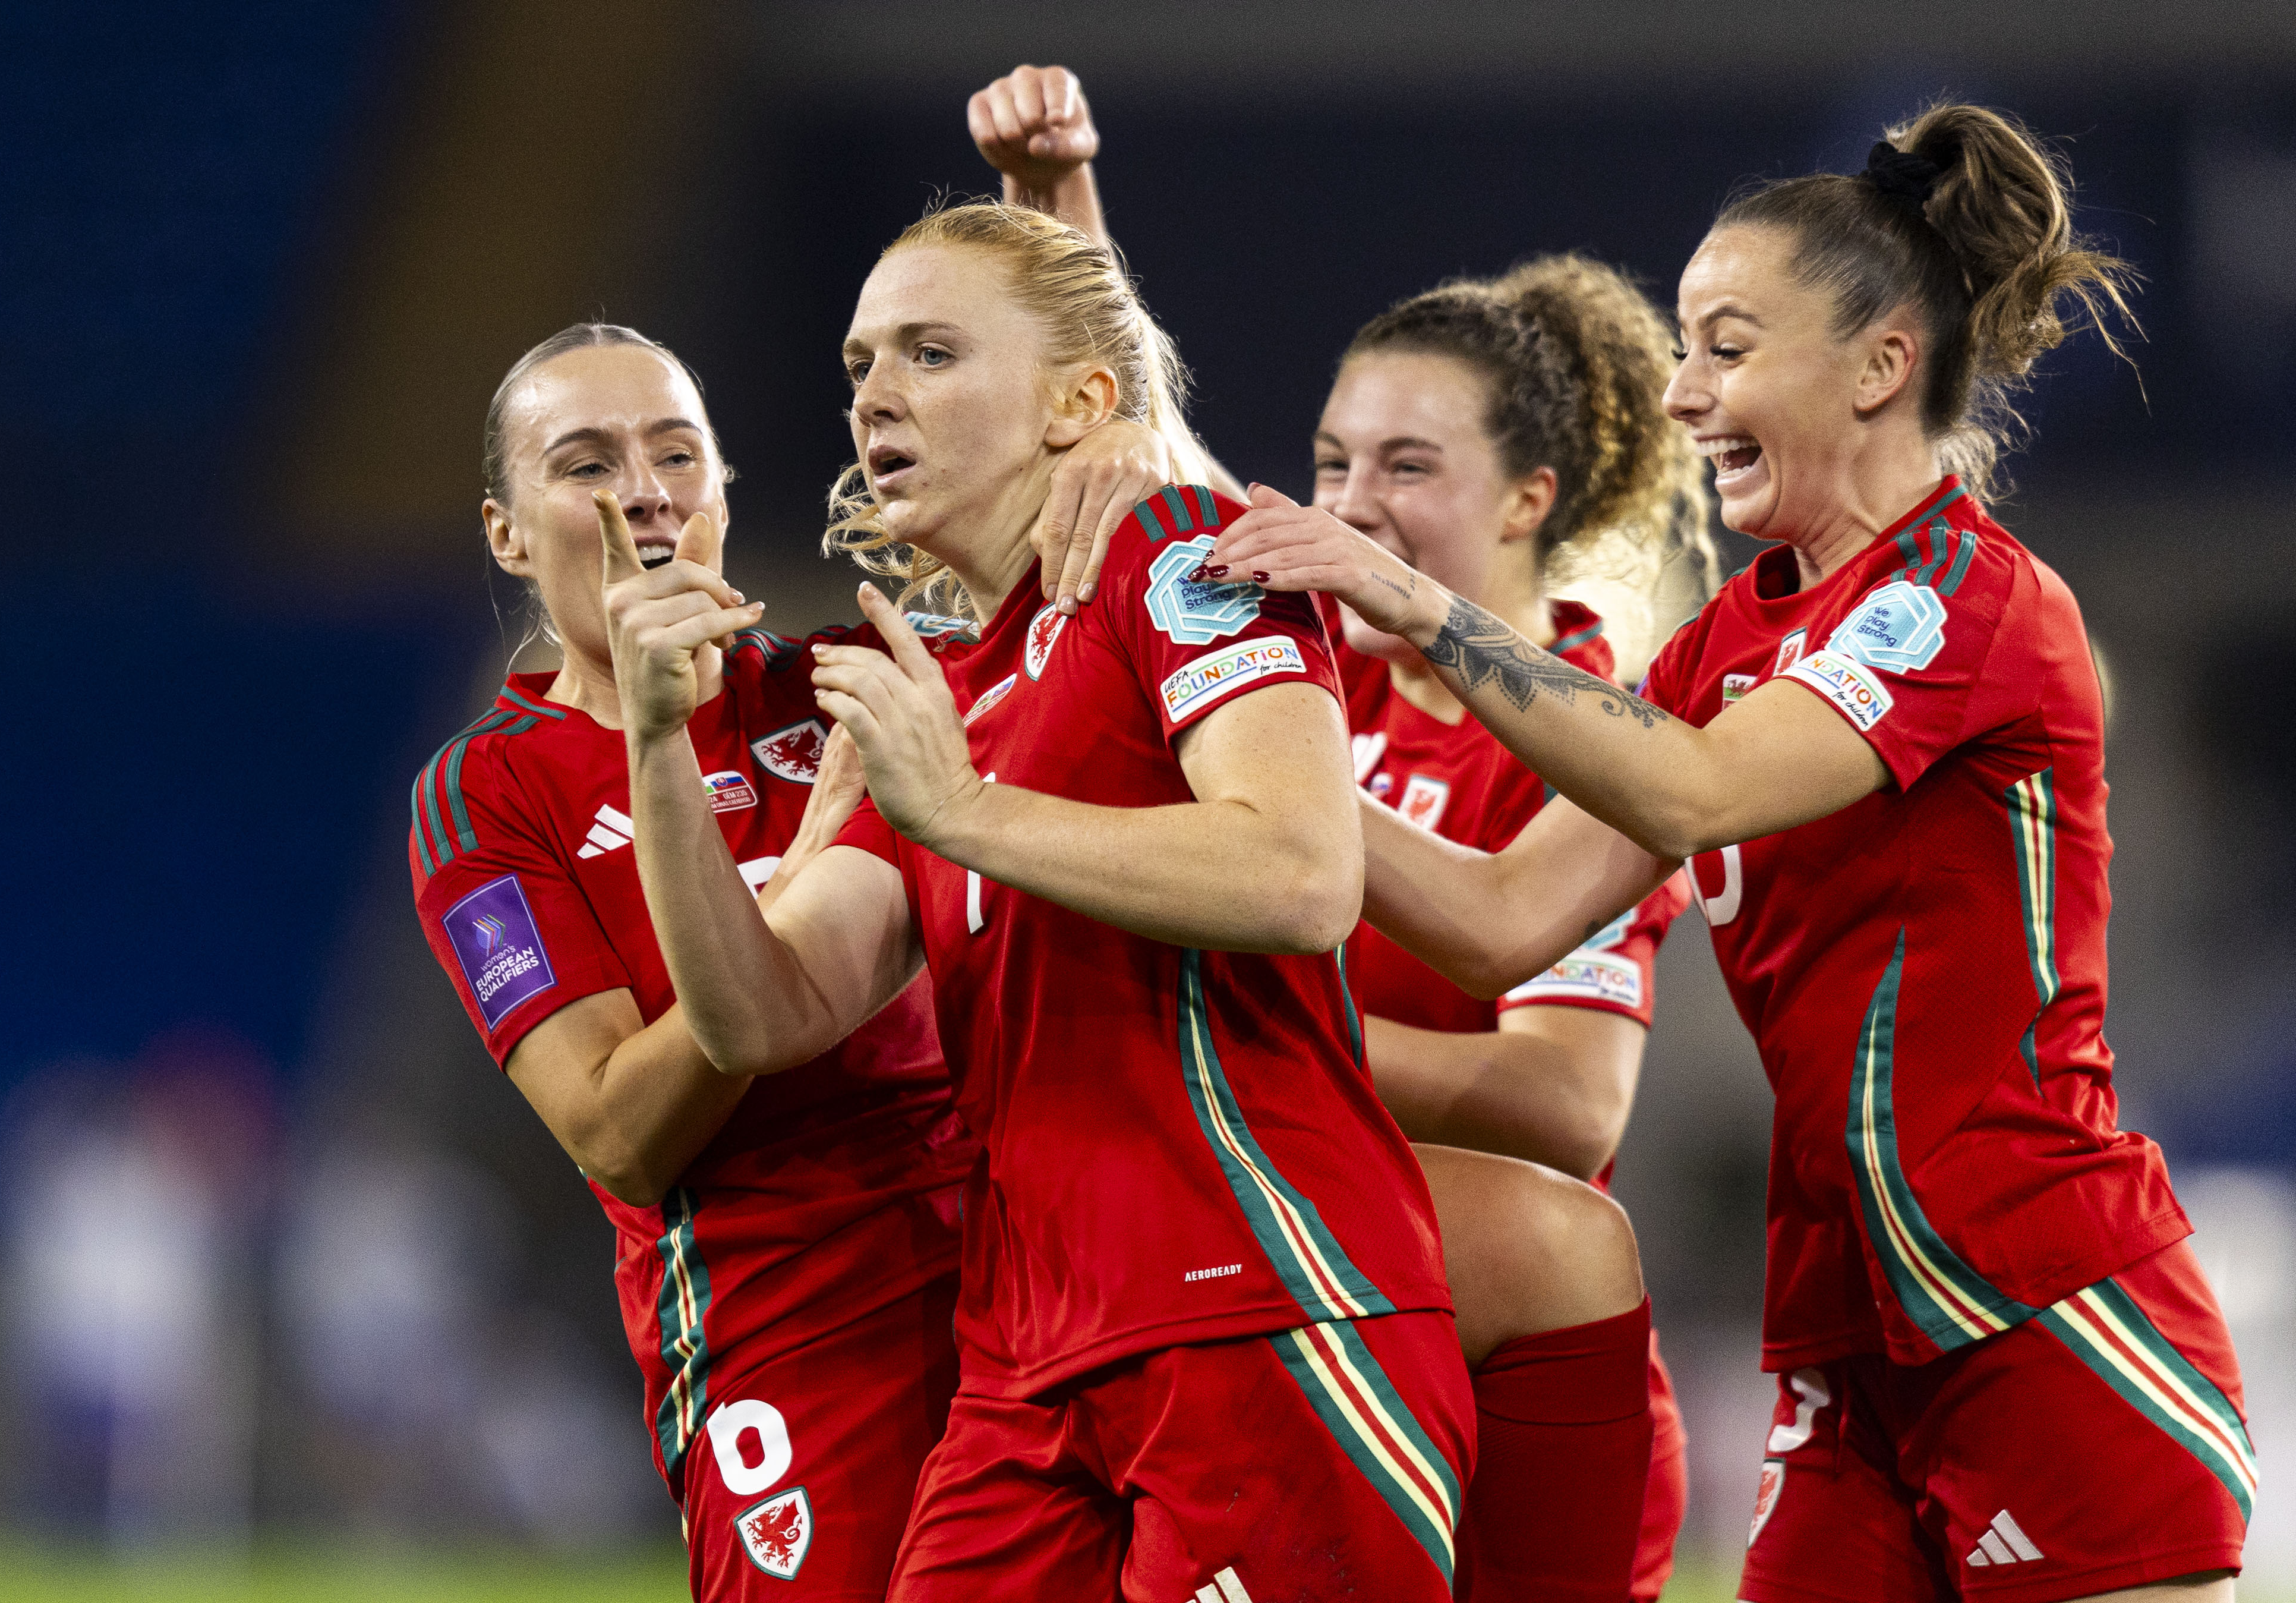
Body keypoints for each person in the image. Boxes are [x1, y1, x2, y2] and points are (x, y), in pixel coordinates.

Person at [1203, 103, 2254, 1602]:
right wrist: (1244, 768)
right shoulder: (1733, 637)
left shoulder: (1965, 598)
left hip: (2036, 1308)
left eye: (1727, 345)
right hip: (1848, 1342)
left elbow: (1688, 791)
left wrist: (1424, 605)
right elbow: (1501, 915)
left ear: (1882, 364)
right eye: (1687, 347)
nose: (1686, 394)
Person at [607, 201, 1472, 1599]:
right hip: (1025, 1363)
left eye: (931, 353)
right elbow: (763, 1013)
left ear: (1078, 401)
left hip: (1257, 1306)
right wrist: (656, 751)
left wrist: (964, 813)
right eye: (858, 365)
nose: (875, 395)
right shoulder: (938, 688)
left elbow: (1304, 872)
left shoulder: (1180, 550)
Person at [970, 64, 1695, 1599]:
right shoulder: (1289, 672)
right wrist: (1058, 203)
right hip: (1273, 1271)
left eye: (1406, 469)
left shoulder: (1594, 740)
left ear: (1525, 502)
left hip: (1487, 1338)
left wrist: (1254, 1042)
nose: (1348, 507)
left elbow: (1566, 1106)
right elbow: (1149, 486)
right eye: (1328, 463)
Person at [408, 321, 1171, 1598]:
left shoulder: (852, 684)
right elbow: (616, 1135)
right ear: (507, 531)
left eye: (676, 455)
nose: (644, 489)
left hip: (1034, 1274)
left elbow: (1094, 583)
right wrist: (785, 912)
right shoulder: (491, 791)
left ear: (718, 496)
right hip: (794, 1324)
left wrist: (1129, 430)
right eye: (586, 462)